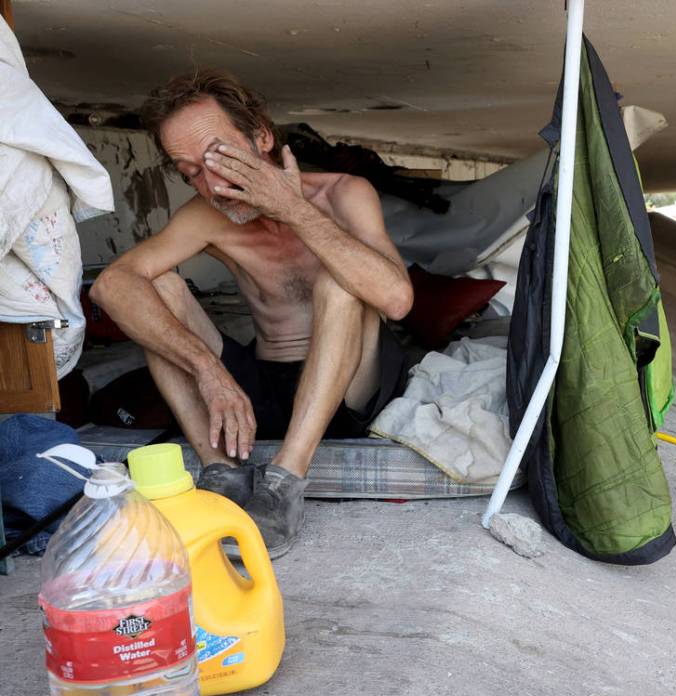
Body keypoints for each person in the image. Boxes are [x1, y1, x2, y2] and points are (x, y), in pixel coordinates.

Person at [91, 69, 413, 558]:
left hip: (350, 391)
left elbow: (396, 300)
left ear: (260, 137)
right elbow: (112, 285)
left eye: (219, 156)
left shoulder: (344, 193)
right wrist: (208, 370)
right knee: (154, 288)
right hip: (259, 394)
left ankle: (284, 483)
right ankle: (222, 472)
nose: (212, 182)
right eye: (190, 171)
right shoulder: (205, 215)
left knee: (340, 281)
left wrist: (292, 209)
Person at [0, 17, 114, 380]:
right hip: (23, 173)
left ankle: (50, 362)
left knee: (59, 302)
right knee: (54, 305)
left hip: (26, 173)